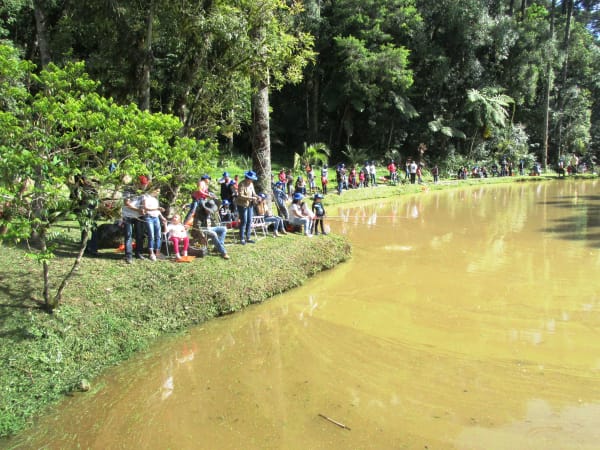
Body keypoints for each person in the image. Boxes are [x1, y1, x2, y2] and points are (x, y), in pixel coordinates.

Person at [122, 175, 147, 264]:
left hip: (139, 216)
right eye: (143, 184)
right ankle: (128, 255)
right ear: (138, 183)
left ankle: (138, 253)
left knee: (139, 235)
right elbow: (127, 203)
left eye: (145, 184)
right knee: (128, 235)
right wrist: (138, 210)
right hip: (128, 215)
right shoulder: (128, 189)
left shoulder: (142, 192)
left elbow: (143, 201)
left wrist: (144, 209)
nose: (145, 186)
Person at [235, 170, 260, 244]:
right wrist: (251, 198)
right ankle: (242, 238)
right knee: (244, 221)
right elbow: (240, 195)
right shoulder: (241, 184)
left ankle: (248, 237)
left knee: (249, 221)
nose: (252, 180)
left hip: (250, 205)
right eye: (251, 178)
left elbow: (254, 193)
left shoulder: (251, 184)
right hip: (242, 205)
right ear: (247, 178)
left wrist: (257, 196)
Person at [142, 186, 166, 261]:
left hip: (156, 218)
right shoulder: (145, 197)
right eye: (157, 191)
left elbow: (157, 210)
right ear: (153, 190)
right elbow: (145, 208)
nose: (158, 193)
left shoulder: (155, 200)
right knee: (151, 235)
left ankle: (157, 252)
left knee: (158, 235)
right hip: (149, 217)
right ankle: (151, 253)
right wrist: (157, 208)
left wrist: (162, 217)